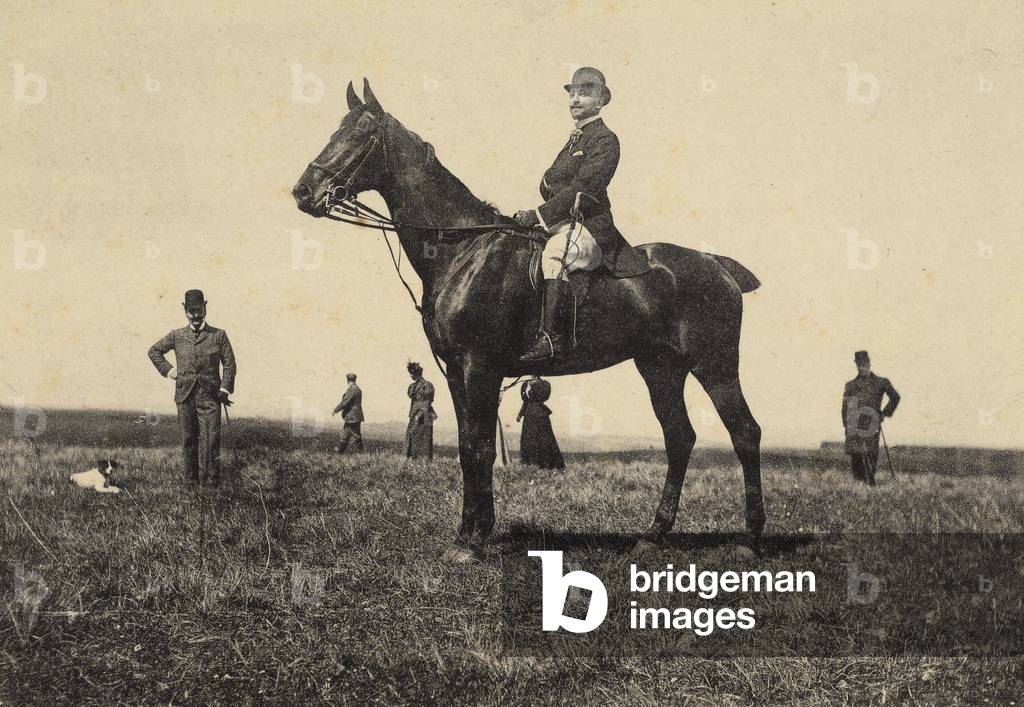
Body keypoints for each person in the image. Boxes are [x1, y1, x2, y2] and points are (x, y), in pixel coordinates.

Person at [514, 66, 649, 362]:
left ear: (600, 100)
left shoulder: (605, 139)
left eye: (585, 92)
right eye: (573, 93)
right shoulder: (574, 140)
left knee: (554, 256)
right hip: (562, 223)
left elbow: (585, 184)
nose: (575, 99)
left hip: (589, 227)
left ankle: (552, 338)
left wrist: (538, 213)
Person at [148, 289, 236, 487]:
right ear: (184, 310)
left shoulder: (219, 335)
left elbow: (229, 363)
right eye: (191, 311)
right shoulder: (177, 335)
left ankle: (212, 485)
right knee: (189, 440)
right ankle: (191, 485)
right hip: (185, 396)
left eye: (199, 310)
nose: (196, 316)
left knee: (211, 441)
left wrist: (225, 389)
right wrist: (170, 371)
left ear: (205, 307)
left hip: (211, 397)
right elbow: (154, 351)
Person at [842, 350, 900, 486]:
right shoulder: (850, 385)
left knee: (870, 459)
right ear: (856, 365)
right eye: (859, 365)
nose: (862, 368)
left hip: (871, 426)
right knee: (856, 462)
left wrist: (884, 413)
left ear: (869, 363)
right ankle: (860, 491)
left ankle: (871, 489)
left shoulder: (881, 382)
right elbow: (846, 409)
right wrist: (848, 429)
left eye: (864, 364)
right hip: (854, 429)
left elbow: (895, 397)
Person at [516, 376, 565, 470]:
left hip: (540, 415)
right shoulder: (525, 384)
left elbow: (543, 396)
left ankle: (547, 464)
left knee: (544, 439)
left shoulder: (543, 384)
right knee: (528, 439)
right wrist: (520, 414)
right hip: (529, 415)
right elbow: (525, 402)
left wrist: (534, 384)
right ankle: (530, 463)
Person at [405, 362, 436, 460]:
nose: (411, 375)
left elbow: (427, 401)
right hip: (415, 411)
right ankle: (414, 458)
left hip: (424, 413)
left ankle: (423, 460)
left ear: (417, 373)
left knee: (424, 436)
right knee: (413, 435)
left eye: (412, 373)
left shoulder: (427, 385)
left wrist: (420, 414)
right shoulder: (413, 386)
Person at [332, 373, 364, 453]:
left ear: (348, 380)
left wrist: (335, 410)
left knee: (348, 434)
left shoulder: (352, 389)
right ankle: (359, 452)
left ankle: (341, 451)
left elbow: (345, 402)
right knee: (353, 435)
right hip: (356, 416)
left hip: (352, 416)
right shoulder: (358, 389)